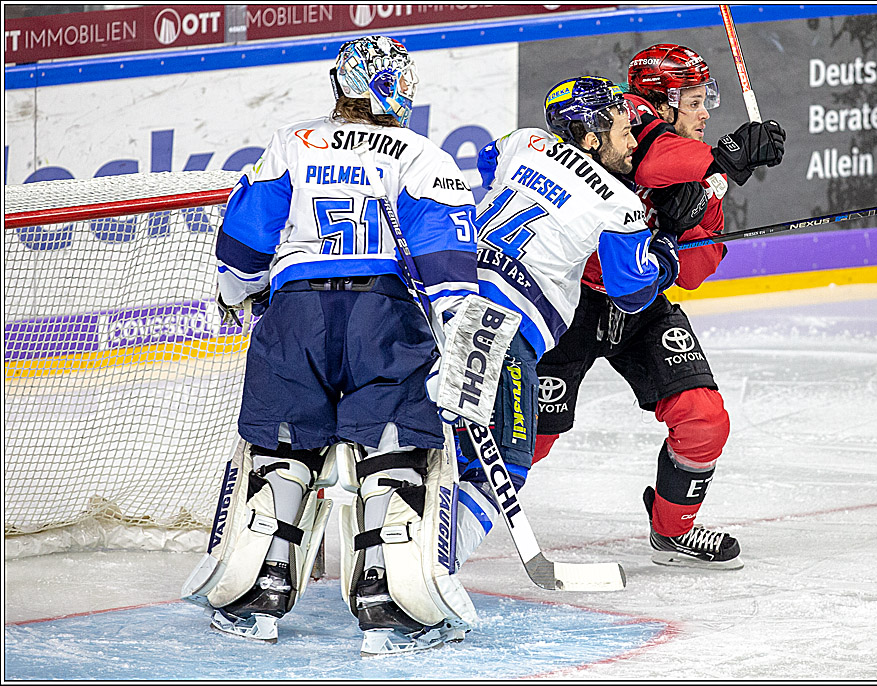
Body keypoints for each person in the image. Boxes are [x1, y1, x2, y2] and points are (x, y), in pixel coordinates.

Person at [180, 35, 481, 655]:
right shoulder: (422, 155)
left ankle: (256, 598)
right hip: (385, 315)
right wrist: (454, 327)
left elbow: (243, 238)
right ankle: (387, 608)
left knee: (281, 449)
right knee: (390, 451)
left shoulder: (291, 141)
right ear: (394, 89)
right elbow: (445, 258)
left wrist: (237, 292)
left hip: (294, 312)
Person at [531, 43, 787, 569]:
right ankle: (429, 518)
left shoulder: (700, 173)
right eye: (694, 100)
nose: (705, 112)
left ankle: (671, 532)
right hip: (568, 303)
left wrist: (683, 224)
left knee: (704, 419)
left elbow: (694, 272)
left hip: (641, 304)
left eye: (705, 100)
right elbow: (649, 162)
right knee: (530, 439)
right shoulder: (621, 122)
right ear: (661, 103)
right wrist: (725, 157)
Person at [448, 76, 684, 569]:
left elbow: (490, 162)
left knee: (421, 437)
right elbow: (632, 290)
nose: (632, 137)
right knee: (504, 465)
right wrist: (665, 256)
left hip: (446, 305)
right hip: (505, 332)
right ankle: (430, 571)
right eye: (623, 128)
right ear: (592, 135)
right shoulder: (619, 203)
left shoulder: (524, 142)